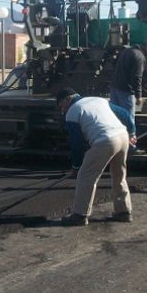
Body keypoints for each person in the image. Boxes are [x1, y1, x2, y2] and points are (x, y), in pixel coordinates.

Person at [57, 88, 135, 226]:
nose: (62, 110)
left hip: (105, 140)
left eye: (61, 106)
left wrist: (76, 166)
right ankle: (124, 212)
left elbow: (77, 144)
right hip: (122, 136)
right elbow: (126, 114)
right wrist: (132, 133)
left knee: (86, 176)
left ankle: (80, 215)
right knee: (119, 176)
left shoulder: (73, 111)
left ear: (67, 99)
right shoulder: (98, 100)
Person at [110, 39, 147, 124]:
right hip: (126, 92)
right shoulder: (139, 57)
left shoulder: (128, 51)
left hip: (114, 88)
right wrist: (138, 95)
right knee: (128, 119)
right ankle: (130, 136)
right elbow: (137, 77)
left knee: (115, 119)